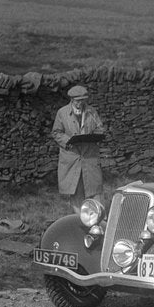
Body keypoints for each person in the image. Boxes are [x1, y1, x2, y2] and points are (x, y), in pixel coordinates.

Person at [51, 85, 106, 214]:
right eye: (77, 101)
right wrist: (68, 141)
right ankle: (80, 218)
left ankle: (99, 218)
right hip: (72, 158)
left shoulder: (91, 112)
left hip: (89, 157)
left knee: (95, 189)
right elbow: (56, 132)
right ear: (71, 99)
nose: (80, 103)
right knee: (75, 189)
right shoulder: (62, 113)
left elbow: (100, 128)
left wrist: (95, 135)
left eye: (82, 100)